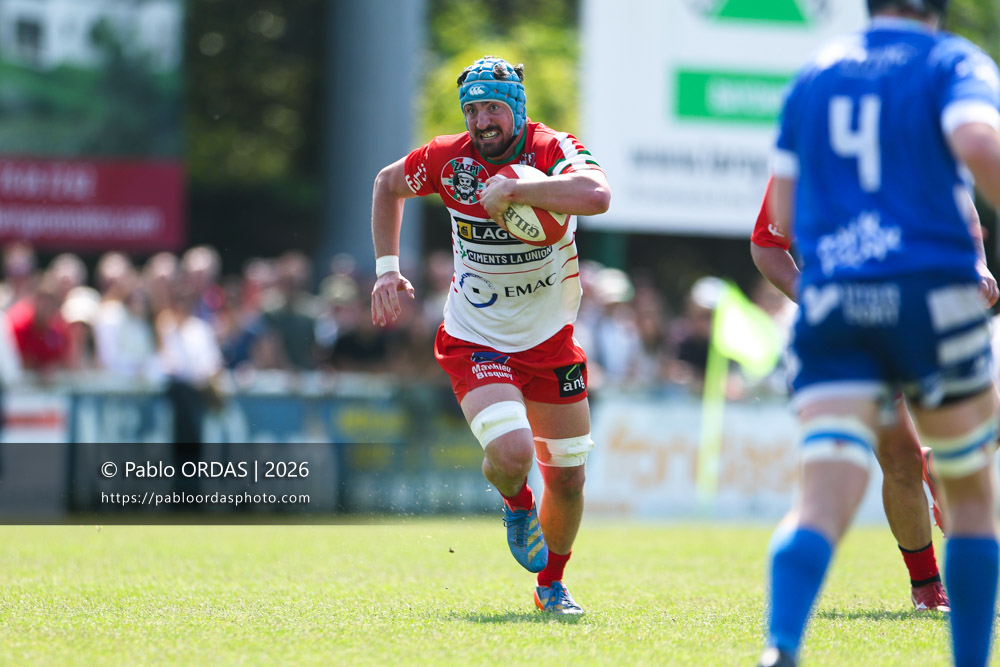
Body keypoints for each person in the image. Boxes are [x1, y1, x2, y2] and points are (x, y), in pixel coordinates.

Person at [758, 2, 1000, 665]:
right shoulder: (951, 60)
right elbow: (979, 146)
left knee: (821, 492)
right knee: (968, 490)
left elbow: (784, 207)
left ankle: (781, 644)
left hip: (836, 300)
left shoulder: (815, 73)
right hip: (929, 294)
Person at [370, 55, 610, 614]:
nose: (481, 122)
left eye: (492, 108)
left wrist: (519, 192)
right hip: (476, 336)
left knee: (569, 479)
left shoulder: (552, 150)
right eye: (472, 110)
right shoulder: (448, 159)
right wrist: (386, 269)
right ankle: (517, 504)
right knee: (513, 452)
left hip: (550, 341)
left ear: (517, 109)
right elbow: (387, 183)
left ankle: (551, 586)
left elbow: (597, 196)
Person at [751, 175, 997, 612]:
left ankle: (939, 468)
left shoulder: (920, 138)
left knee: (979, 427)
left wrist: (978, 264)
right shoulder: (804, 149)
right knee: (892, 460)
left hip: (931, 309)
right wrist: (810, 293)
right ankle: (927, 588)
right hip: (854, 329)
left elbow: (962, 205)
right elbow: (767, 244)